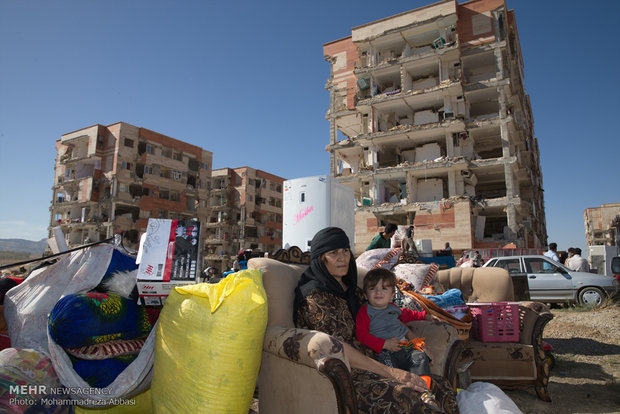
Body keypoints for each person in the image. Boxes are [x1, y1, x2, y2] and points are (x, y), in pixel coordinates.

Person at [295, 227, 458, 413]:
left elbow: (385, 316)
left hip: (378, 358)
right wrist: (393, 373)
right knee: (406, 396)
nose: (342, 258)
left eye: (345, 251)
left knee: (440, 387)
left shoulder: (352, 290)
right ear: (320, 259)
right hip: (348, 372)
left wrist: (415, 342)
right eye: (333, 253)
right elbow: (335, 346)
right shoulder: (315, 297)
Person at [356, 268, 442, 411]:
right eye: (373, 288)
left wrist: (425, 316)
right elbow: (361, 334)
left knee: (420, 356)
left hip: (405, 347)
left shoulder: (394, 308)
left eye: (384, 288)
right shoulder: (365, 312)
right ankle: (401, 391)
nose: (378, 292)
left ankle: (424, 391)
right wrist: (384, 344)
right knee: (389, 367)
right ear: (365, 294)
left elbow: (408, 314)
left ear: (391, 295)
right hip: (385, 351)